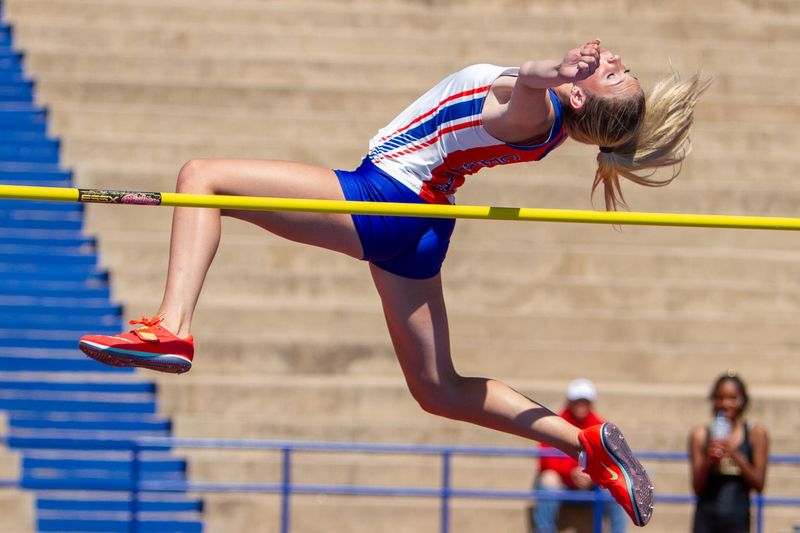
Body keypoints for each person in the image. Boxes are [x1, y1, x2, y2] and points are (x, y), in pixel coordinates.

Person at [78, 39, 709, 527]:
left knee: (202, 177)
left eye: (613, 74)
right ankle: (586, 445)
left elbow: (527, 82)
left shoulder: (537, 110)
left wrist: (557, 69)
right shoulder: (545, 125)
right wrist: (564, 71)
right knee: (438, 389)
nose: (617, 60)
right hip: (421, 220)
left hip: (385, 197)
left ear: (577, 98)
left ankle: (173, 329)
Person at [532, 379, 627, 533]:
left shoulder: (599, 426)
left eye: (585, 401)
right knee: (548, 478)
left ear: (591, 403)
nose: (581, 405)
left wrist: (589, 474)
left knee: (614, 484)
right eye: (577, 401)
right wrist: (571, 472)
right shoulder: (555, 422)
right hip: (564, 481)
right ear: (569, 402)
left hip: (592, 482)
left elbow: (608, 460)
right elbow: (546, 458)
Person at [688, 371, 769, 533]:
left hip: (738, 521)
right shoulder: (700, 435)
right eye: (720, 398)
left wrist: (734, 454)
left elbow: (759, 484)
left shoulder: (756, 434)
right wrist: (709, 460)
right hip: (706, 520)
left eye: (732, 398)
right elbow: (696, 487)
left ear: (742, 401)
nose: (726, 404)